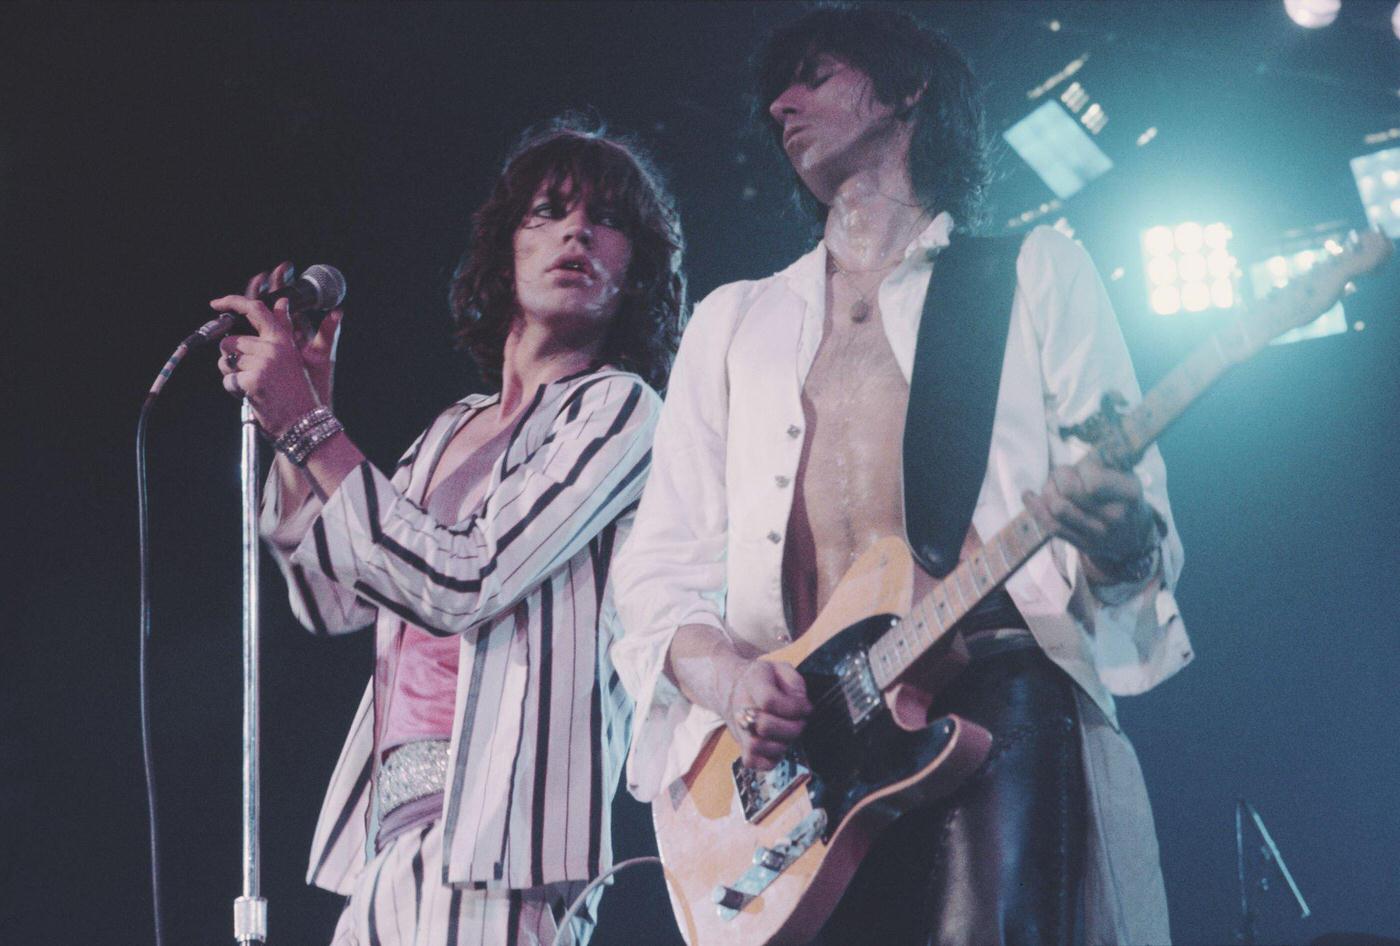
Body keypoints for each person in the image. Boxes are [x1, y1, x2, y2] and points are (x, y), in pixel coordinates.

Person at [611, 6, 1189, 945]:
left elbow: (1135, 540)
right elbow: (653, 568)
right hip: (806, 756)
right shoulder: (733, 322)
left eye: (816, 74)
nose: (780, 103)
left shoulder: (1035, 274)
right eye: (777, 87)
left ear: (908, 89)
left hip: (996, 694)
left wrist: (1120, 534)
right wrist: (728, 683)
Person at [211, 118, 683, 946]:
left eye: (605, 219)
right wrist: (296, 437)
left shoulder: (619, 410)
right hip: (385, 842)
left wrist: (312, 424)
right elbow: (332, 601)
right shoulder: (448, 430)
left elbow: (464, 580)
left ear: (635, 265)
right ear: (506, 250)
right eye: (548, 211)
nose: (576, 231)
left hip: (506, 856)